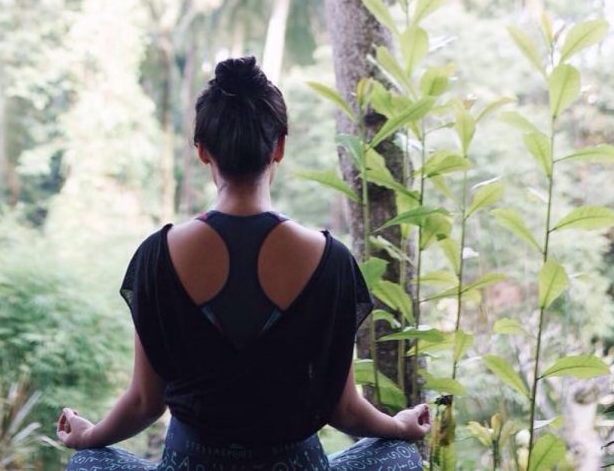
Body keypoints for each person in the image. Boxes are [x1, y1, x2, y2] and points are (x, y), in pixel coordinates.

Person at [57, 56, 430, 470]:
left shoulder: (157, 257)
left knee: (87, 463)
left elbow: (145, 403)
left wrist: (88, 437)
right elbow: (344, 410)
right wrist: (401, 427)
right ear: (279, 147)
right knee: (400, 455)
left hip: (190, 463)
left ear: (202, 151)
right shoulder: (332, 262)